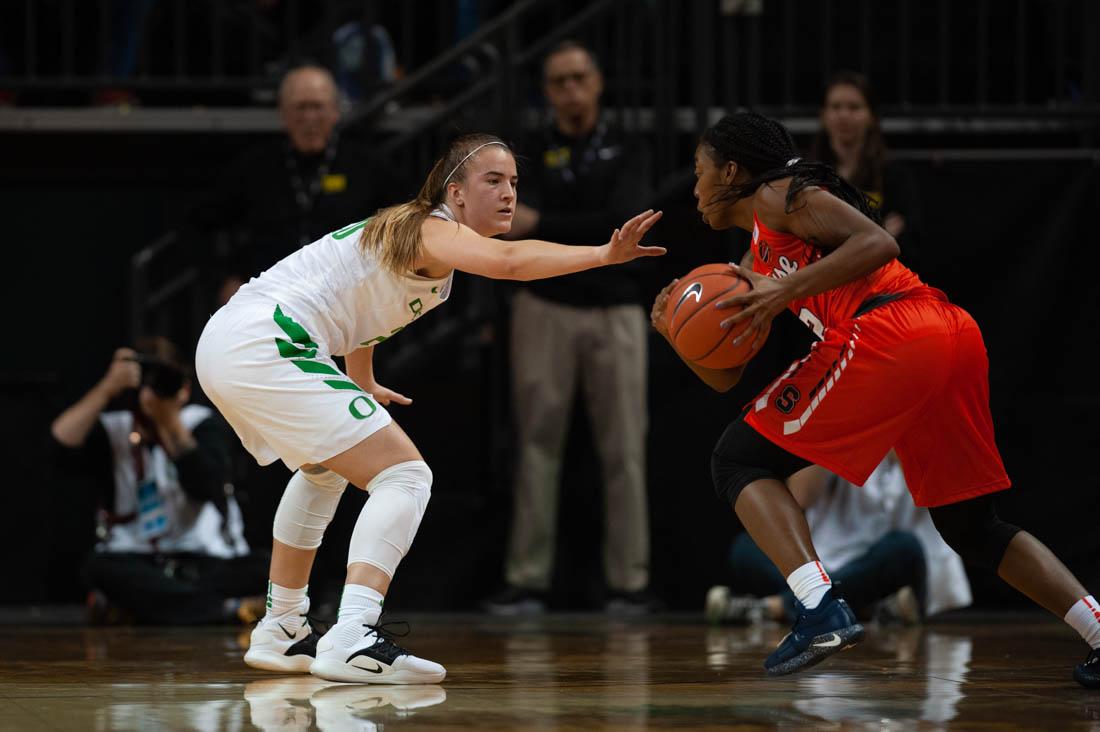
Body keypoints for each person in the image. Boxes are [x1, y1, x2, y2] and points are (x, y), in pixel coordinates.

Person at [195, 132, 664, 684]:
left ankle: (282, 629)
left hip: (235, 342)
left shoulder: (408, 235)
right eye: (493, 180)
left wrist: (361, 379)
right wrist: (603, 255)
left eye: (514, 181)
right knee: (405, 475)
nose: (509, 193)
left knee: (323, 470)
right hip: (266, 338)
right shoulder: (430, 228)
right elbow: (511, 262)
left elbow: (360, 312)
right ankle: (353, 633)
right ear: (456, 192)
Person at [649, 111, 1099, 686]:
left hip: (892, 327)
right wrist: (675, 333)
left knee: (737, 459)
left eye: (698, 171)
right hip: (949, 339)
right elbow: (725, 377)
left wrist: (786, 288)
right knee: (970, 527)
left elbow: (878, 240)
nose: (694, 188)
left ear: (730, 170)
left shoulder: (780, 195)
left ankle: (819, 608)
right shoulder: (749, 262)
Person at [486, 40, 655, 614]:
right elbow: (511, 227)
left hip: (616, 309)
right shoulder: (529, 151)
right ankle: (528, 579)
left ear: (598, 82)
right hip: (544, 307)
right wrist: (568, 230)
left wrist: (547, 223)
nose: (571, 90)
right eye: (559, 81)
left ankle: (629, 583)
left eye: (580, 78)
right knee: (536, 443)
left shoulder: (627, 147)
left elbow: (621, 226)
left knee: (625, 448)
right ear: (548, 91)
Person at [49, 337, 264, 625]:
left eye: (165, 382)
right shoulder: (116, 428)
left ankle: (144, 608)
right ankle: (225, 611)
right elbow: (59, 447)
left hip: (204, 560)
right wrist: (107, 388)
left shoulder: (200, 423)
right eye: (149, 382)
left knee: (264, 567)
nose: (155, 391)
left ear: (184, 389)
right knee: (97, 569)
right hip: (136, 558)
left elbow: (206, 484)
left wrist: (168, 421)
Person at [187, 64, 409, 305]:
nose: (309, 118)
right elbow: (197, 223)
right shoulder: (255, 166)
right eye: (300, 107)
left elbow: (406, 221)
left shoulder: (367, 165)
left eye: (317, 107)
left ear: (335, 111)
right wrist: (223, 279)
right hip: (270, 300)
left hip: (348, 299)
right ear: (283, 114)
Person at [706, 456, 971, 626]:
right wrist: (838, 435)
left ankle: (775, 608)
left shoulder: (918, 420)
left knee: (904, 548)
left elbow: (941, 491)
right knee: (745, 548)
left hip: (887, 572)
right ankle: (865, 609)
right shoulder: (843, 419)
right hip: (824, 567)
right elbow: (799, 497)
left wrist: (895, 439)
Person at [810, 70, 923, 272]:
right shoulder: (808, 175)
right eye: (836, 107)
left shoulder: (894, 175)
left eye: (854, 107)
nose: (844, 115)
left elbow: (905, 239)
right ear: (824, 116)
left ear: (871, 116)